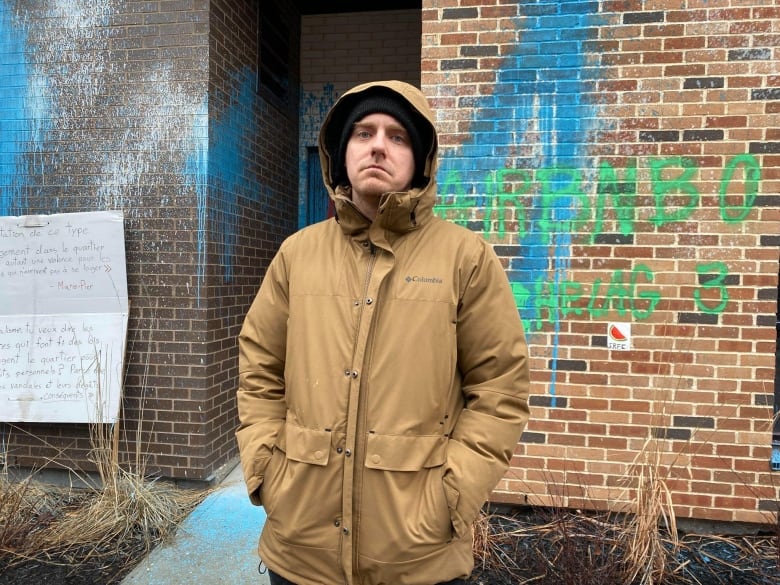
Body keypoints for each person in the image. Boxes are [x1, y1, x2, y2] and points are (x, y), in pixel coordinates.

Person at [236, 80, 530, 585]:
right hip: (300, 549)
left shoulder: (466, 259)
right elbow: (259, 369)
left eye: (397, 136)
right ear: (340, 153)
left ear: (420, 161)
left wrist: (450, 497)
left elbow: (499, 390)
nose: (377, 145)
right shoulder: (297, 255)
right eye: (363, 133)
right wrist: (268, 470)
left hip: (417, 556)